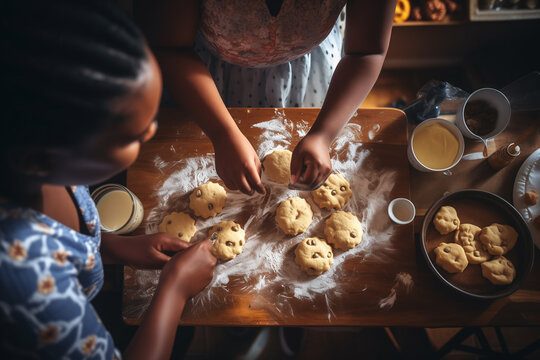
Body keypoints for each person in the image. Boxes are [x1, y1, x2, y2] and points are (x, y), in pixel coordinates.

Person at [0, 1, 216, 359]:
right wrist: (174, 290)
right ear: (39, 159)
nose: (154, 131)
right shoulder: (25, 286)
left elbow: (63, 233)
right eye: (132, 136)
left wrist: (112, 247)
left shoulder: (33, 158)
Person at [134, 0, 397, 194]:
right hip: (202, 77)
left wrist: (323, 134)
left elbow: (367, 51)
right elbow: (169, 47)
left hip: (305, 76)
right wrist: (222, 132)